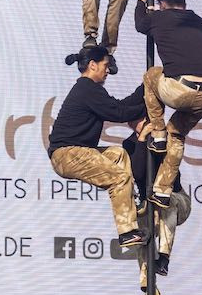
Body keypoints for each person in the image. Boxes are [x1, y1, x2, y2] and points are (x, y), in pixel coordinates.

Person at [48, 46, 149, 248]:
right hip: (68, 154)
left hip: (77, 152)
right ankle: (127, 233)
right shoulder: (87, 89)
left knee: (118, 154)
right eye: (105, 65)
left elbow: (120, 106)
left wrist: (146, 88)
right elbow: (119, 113)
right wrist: (151, 106)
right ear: (92, 65)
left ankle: (132, 204)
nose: (108, 70)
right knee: (119, 178)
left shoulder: (90, 89)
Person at [133, 0, 202, 208]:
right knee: (177, 135)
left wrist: (141, 2)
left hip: (181, 89)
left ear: (162, 4)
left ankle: (158, 134)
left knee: (151, 75)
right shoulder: (200, 22)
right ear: (184, 4)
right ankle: (162, 190)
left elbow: (140, 24)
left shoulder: (160, 18)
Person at [122, 118, 192, 291]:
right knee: (140, 228)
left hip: (175, 197)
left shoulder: (164, 137)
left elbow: (173, 174)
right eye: (134, 121)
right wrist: (141, 140)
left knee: (166, 201)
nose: (138, 123)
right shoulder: (129, 144)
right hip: (149, 203)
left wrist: (156, 140)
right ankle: (147, 281)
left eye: (140, 119)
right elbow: (138, 173)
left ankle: (163, 258)